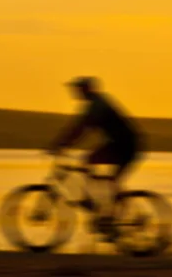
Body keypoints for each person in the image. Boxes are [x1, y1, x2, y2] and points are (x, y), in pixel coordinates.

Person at [47, 76, 143, 234]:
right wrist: (62, 143)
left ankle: (103, 209)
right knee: (101, 172)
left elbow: (81, 129)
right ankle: (106, 213)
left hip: (126, 145)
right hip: (122, 144)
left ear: (86, 90)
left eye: (77, 89)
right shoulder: (94, 104)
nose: (74, 92)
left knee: (93, 163)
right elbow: (77, 127)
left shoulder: (97, 105)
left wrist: (60, 145)